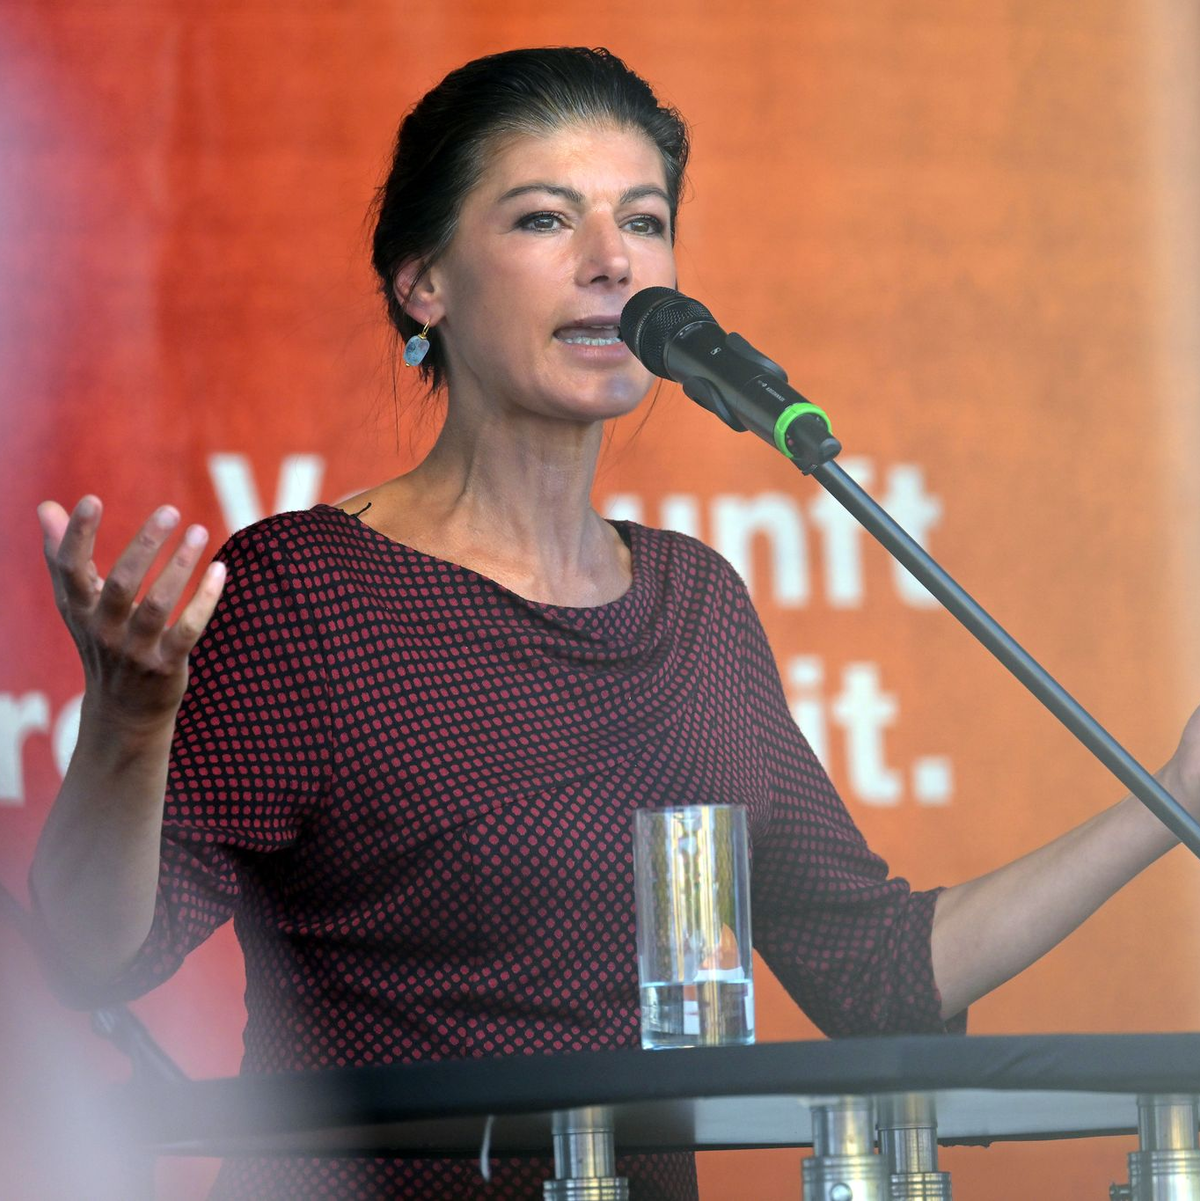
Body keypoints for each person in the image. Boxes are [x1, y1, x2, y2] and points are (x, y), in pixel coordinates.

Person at [27, 46, 1200, 1201]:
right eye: (545, 220)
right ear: (422, 282)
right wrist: (128, 730)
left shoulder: (696, 605)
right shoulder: (306, 593)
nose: (611, 263)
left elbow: (882, 976)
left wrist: (1172, 797)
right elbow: (96, 955)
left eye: (643, 221)